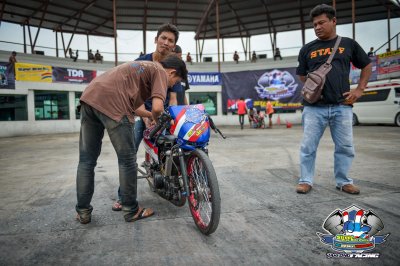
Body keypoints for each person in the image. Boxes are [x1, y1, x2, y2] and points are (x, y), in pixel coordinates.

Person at [75, 54, 188, 224]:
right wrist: (161, 120)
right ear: (172, 73)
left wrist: (149, 115)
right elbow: (158, 107)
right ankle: (131, 210)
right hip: (114, 103)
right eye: (175, 82)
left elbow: (136, 106)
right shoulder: (159, 70)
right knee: (127, 160)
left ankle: (83, 212)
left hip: (90, 97)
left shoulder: (142, 69)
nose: (172, 86)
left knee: (86, 160)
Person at [295, 4, 372, 195]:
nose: (317, 27)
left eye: (321, 22)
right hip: (313, 108)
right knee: (308, 146)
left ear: (333, 21)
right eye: (314, 24)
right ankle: (305, 180)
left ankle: (344, 181)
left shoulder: (348, 44)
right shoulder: (307, 49)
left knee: (345, 147)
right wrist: (316, 88)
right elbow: (302, 76)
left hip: (342, 106)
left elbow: (366, 65)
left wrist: (360, 89)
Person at [112, 23, 182, 211]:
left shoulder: (173, 66)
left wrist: (172, 118)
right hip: (141, 114)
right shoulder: (142, 61)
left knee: (176, 148)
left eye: (171, 41)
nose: (166, 43)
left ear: (174, 46)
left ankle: (179, 186)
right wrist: (145, 118)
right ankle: (122, 196)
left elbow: (173, 98)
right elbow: (133, 94)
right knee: (129, 155)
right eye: (163, 38)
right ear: (156, 39)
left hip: (162, 115)